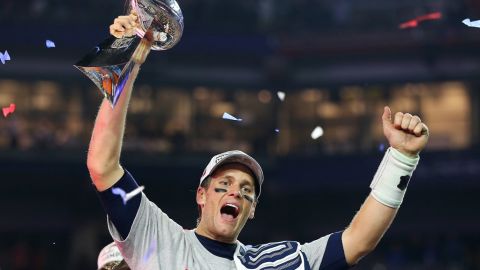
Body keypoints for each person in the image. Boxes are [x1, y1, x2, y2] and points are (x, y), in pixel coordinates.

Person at [87, 13, 430, 270]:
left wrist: (401, 157)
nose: (236, 192)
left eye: (247, 191)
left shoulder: (270, 263)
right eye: (224, 184)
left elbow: (357, 241)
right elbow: (103, 165)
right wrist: (127, 61)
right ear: (201, 195)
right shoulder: (158, 239)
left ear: (251, 211)